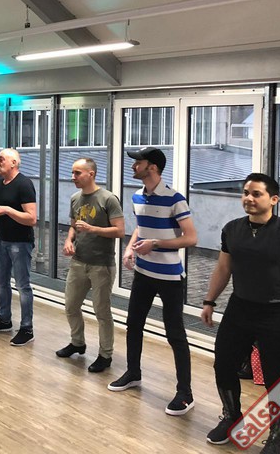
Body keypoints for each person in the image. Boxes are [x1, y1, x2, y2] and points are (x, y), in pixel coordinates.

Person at [201, 173, 280, 452]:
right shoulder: (231, 229)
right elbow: (223, 268)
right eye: (245, 193)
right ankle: (232, 417)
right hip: (240, 308)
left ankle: (277, 438)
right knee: (224, 365)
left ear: (273, 199)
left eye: (256, 194)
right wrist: (209, 301)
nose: (249, 198)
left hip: (276, 313)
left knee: (276, 377)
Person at [108, 147, 198, 417]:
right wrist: (129, 248)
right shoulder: (137, 196)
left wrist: (156, 244)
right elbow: (141, 226)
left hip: (170, 277)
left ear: (153, 167)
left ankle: (185, 393)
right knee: (133, 324)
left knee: (175, 334)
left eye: (139, 162)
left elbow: (191, 238)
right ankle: (133, 373)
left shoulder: (175, 199)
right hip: (143, 273)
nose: (133, 166)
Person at [56, 158, 124, 373]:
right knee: (71, 305)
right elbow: (73, 226)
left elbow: (120, 231)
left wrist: (93, 229)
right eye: (72, 173)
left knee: (101, 311)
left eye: (77, 173)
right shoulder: (75, 198)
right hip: (79, 262)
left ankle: (105, 354)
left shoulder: (108, 199)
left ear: (91, 174)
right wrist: (69, 240)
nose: (73, 177)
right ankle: (77, 342)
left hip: (101, 265)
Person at [0, 149, 37, 347]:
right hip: (1, 241)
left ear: (13, 163)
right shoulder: (0, 184)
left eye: (1, 160)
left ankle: (27, 328)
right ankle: (4, 319)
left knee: (22, 285)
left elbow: (31, 218)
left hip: (20, 243)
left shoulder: (24, 184)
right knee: (1, 283)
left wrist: (8, 210)